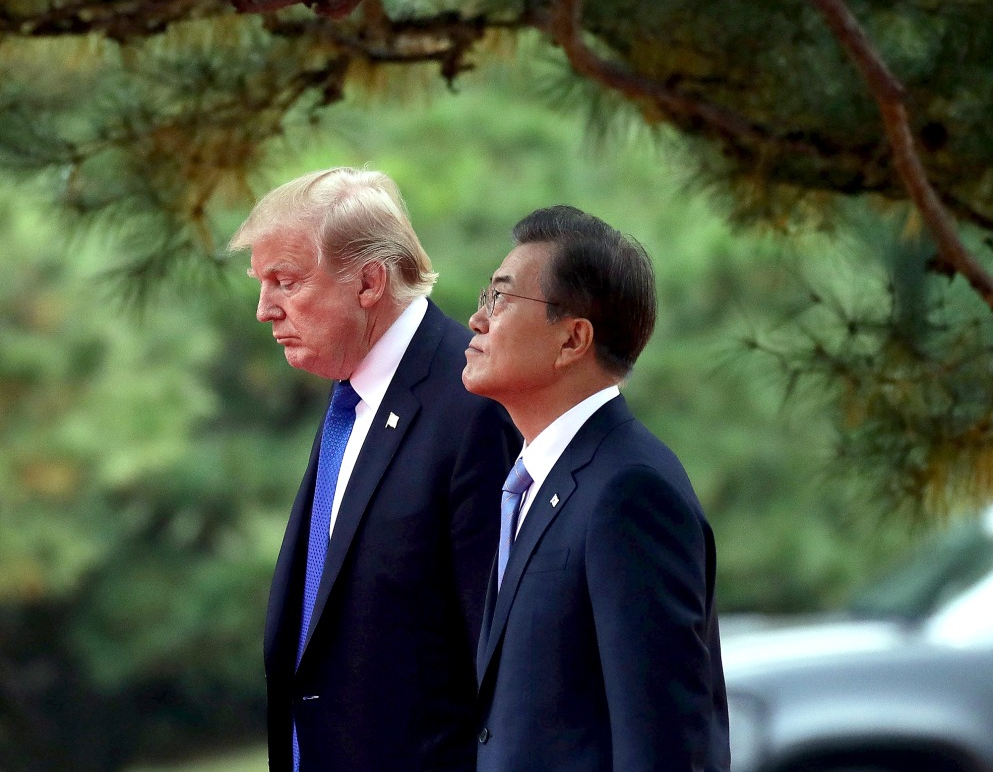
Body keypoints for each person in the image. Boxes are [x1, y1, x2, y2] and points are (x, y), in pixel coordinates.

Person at [229, 167, 520, 772]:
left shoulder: (473, 405)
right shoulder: (351, 395)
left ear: (368, 281)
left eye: (284, 281)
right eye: (262, 283)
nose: (264, 310)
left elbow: (501, 665)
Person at [463, 205, 730, 772]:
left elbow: (665, 743)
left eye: (500, 299)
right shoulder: (538, 481)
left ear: (573, 339)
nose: (476, 320)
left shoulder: (630, 491)